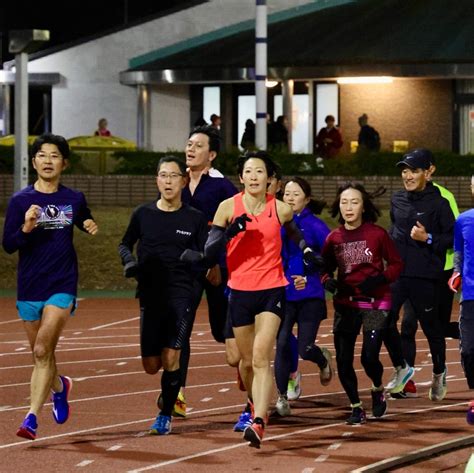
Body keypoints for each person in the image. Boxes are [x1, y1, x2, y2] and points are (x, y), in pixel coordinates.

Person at [181, 150, 323, 447]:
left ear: (270, 179)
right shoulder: (226, 208)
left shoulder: (280, 209)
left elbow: (295, 234)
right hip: (239, 292)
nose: (254, 177)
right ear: (241, 177)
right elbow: (210, 252)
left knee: (260, 356)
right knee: (245, 363)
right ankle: (251, 403)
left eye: (260, 172)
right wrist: (230, 231)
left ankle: (259, 421)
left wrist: (307, 251)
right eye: (249, 171)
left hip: (272, 290)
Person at [2, 133, 98, 440]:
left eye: (54, 155)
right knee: (40, 355)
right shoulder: (20, 201)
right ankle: (60, 386)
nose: (47, 160)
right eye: (42, 155)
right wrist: (26, 228)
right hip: (30, 286)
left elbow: (84, 219)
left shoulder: (74, 199)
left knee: (44, 348)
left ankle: (30, 418)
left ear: (64, 163)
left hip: (62, 283)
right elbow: (8, 245)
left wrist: (89, 224)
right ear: (33, 162)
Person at [118, 155, 208, 435]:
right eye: (163, 175)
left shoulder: (195, 218)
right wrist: (129, 262)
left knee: (172, 358)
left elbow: (207, 255)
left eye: (173, 176)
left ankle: (165, 414)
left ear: (183, 181)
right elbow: (124, 243)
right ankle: (168, 391)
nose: (168, 181)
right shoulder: (142, 214)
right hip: (150, 294)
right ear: (157, 180)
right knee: (151, 365)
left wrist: (197, 257)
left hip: (182, 295)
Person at [321, 182, 403, 424]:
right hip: (346, 304)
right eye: (344, 202)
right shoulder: (333, 238)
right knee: (344, 360)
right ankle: (356, 406)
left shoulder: (377, 234)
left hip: (376, 303)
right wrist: (327, 280)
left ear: (364, 207)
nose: (348, 207)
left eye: (354, 202)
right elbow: (325, 268)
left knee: (369, 357)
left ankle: (377, 388)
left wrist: (380, 278)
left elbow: (397, 264)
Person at [385, 148, 455, 402]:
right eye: (404, 170)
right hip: (399, 275)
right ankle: (402, 367)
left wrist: (429, 238)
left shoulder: (440, 203)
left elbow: (452, 239)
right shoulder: (397, 200)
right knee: (384, 320)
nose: (408, 175)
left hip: (426, 277)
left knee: (431, 330)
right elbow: (395, 229)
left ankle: (439, 372)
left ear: (427, 172)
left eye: (414, 170)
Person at [179, 125, 238, 417]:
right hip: (185, 268)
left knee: (220, 331)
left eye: (197, 146)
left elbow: (233, 228)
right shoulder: (177, 181)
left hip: (217, 267)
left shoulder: (222, 187)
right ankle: (176, 393)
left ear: (211, 154)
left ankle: (247, 371)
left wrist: (216, 262)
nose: (190, 149)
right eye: (189, 144)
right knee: (181, 330)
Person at [273, 177, 332, 417]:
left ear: (306, 199)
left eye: (295, 194)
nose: (289, 198)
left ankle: (322, 359)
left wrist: (310, 277)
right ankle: (281, 397)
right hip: (282, 293)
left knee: (305, 348)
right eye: (286, 193)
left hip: (310, 295)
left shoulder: (317, 227)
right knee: (282, 343)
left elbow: (329, 261)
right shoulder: (275, 223)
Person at [448, 175, 474, 424]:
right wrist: (456, 272)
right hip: (470, 295)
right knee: (468, 349)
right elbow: (459, 251)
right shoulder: (463, 220)